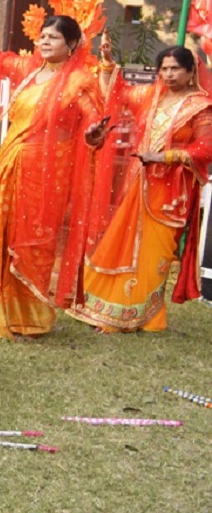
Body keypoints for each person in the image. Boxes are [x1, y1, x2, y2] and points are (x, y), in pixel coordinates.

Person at [0, 0, 109, 340]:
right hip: (11, 162)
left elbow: (93, 123)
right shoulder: (29, 70)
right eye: (42, 36)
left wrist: (95, 133)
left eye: (54, 38)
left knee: (29, 242)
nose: (45, 42)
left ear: (72, 45)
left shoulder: (80, 81)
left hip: (46, 174)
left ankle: (27, 315)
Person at [73, 46, 212, 332]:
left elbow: (206, 148)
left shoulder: (200, 106)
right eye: (164, 68)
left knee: (153, 255)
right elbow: (118, 94)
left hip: (171, 192)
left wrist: (165, 157)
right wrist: (109, 66)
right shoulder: (151, 97)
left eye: (175, 68)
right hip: (138, 184)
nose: (169, 74)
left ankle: (139, 317)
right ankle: (107, 310)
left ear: (190, 72)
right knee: (121, 247)